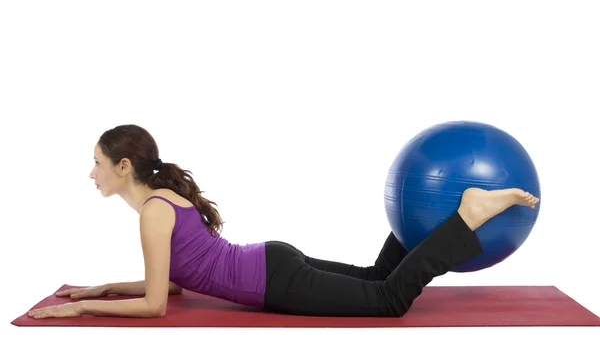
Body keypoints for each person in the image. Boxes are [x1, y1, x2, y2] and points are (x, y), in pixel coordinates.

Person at [27, 124, 540, 319]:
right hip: (273, 260)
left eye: (96, 162)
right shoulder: (162, 201)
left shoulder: (152, 214)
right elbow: (177, 286)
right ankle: (428, 227)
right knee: (374, 279)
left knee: (390, 300)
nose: (90, 173)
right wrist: (107, 286)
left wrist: (83, 309)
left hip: (275, 280)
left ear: (122, 167)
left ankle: (464, 218)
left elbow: (158, 304)